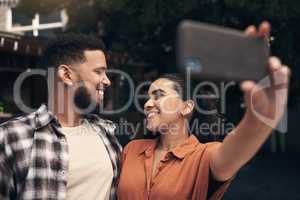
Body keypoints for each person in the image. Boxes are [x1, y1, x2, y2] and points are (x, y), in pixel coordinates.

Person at [117, 22, 290, 200]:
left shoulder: (204, 156)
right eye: (148, 97)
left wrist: (258, 119)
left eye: (158, 95)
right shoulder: (131, 150)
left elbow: (233, 153)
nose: (147, 104)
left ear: (186, 107)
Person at [0, 34, 122, 200]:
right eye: (98, 71)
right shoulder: (12, 136)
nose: (107, 81)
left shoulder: (108, 134)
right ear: (66, 75)